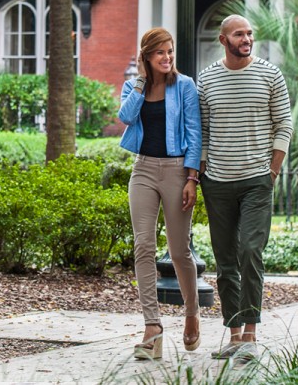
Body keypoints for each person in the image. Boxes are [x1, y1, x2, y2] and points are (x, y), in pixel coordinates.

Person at [196, 15, 293, 361]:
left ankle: (251, 336)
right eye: (240, 34)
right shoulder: (206, 80)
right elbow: (203, 131)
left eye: (250, 33)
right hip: (218, 182)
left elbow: (284, 121)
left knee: (250, 251)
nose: (247, 38)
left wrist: (274, 168)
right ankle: (234, 335)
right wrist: (201, 171)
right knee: (225, 261)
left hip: (256, 180)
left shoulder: (270, 74)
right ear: (224, 40)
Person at [118, 27, 203, 360]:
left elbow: (195, 133)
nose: (167, 58)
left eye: (170, 52)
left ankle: (192, 312)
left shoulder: (184, 86)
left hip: (177, 170)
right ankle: (152, 327)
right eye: (160, 53)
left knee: (179, 251)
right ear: (146, 57)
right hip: (142, 170)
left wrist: (192, 178)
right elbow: (125, 116)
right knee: (143, 245)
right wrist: (141, 82)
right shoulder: (133, 86)